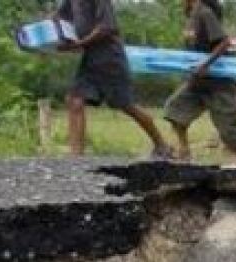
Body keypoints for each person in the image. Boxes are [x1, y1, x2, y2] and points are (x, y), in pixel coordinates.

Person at [56, 0, 171, 158]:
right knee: (74, 100)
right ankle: (76, 157)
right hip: (90, 58)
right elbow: (59, 18)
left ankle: (161, 145)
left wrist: (80, 43)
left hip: (110, 59)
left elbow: (107, 27)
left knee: (126, 105)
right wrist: (48, 39)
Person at [163, 0, 236, 167]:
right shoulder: (191, 16)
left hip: (218, 84)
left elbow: (224, 43)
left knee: (230, 133)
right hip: (197, 83)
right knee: (174, 110)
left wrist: (204, 65)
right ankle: (185, 152)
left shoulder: (205, 13)